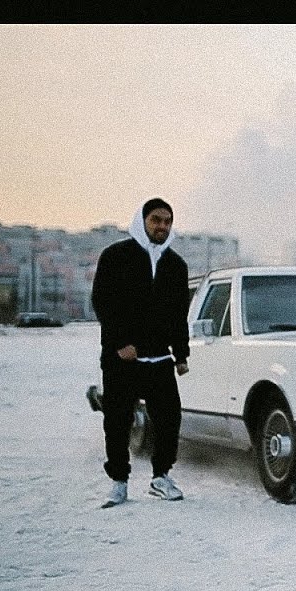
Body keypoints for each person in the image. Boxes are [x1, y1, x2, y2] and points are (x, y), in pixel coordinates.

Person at [91, 197, 192, 508]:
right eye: (156, 220)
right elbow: (102, 302)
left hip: (159, 358)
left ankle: (161, 477)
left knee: (169, 419)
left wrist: (181, 354)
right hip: (122, 358)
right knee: (118, 421)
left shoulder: (176, 265)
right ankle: (119, 483)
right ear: (142, 221)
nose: (162, 226)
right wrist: (120, 343)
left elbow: (179, 314)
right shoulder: (115, 256)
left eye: (167, 221)